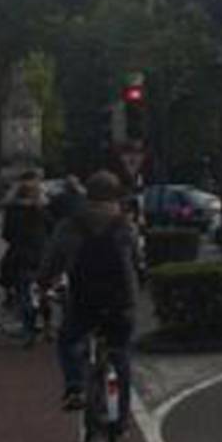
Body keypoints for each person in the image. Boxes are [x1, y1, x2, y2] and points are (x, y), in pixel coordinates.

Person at [39, 170, 145, 418]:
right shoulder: (125, 225)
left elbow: (53, 260)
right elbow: (138, 261)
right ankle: (121, 417)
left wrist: (44, 283)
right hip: (121, 300)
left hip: (84, 299)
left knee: (67, 340)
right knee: (120, 353)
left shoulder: (71, 224)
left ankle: (75, 387)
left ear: (88, 193)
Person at [0, 171, 50, 339]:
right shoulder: (43, 208)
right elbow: (52, 227)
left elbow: (7, 234)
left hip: (23, 255)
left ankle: (28, 328)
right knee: (44, 291)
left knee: (23, 289)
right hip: (43, 254)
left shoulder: (13, 209)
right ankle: (48, 327)